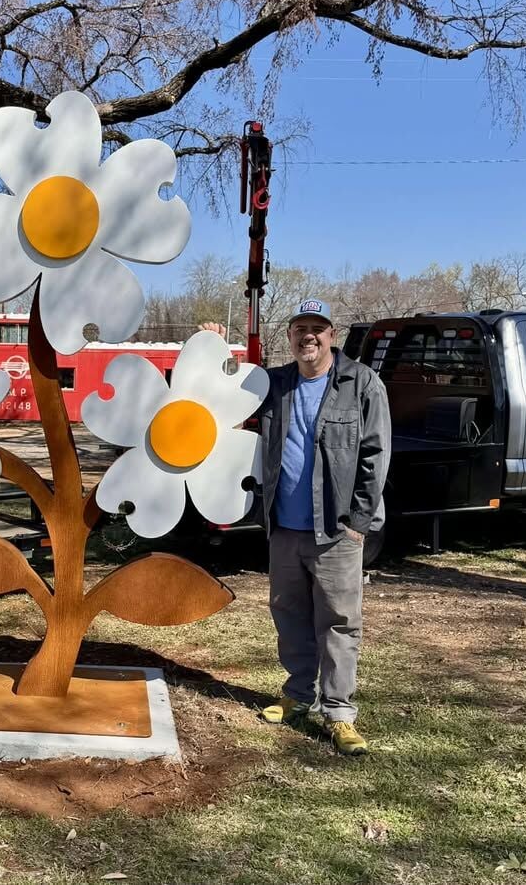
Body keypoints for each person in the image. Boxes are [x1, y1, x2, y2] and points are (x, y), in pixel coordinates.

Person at [204, 299, 390, 754]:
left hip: (336, 532)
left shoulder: (361, 383)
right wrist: (213, 349)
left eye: (317, 328)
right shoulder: (277, 384)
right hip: (284, 529)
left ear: (332, 335)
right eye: (300, 328)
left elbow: (376, 454)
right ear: (289, 336)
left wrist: (358, 522)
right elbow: (220, 396)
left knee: (339, 621)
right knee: (289, 615)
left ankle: (339, 712)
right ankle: (298, 695)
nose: (309, 335)